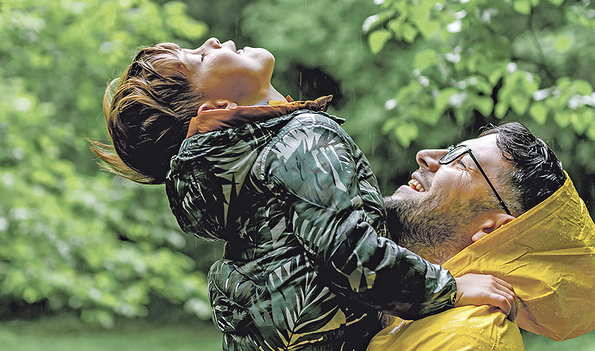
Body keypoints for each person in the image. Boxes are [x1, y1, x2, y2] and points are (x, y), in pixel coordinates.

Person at [91, 37, 515, 350]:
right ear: (217, 110)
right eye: (200, 58)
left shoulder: (238, 178)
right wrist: (451, 288)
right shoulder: (304, 135)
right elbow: (350, 255)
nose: (212, 41)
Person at [368, 122, 595, 350]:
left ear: (491, 230)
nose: (425, 156)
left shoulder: (469, 338)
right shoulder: (400, 299)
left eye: (460, 161)